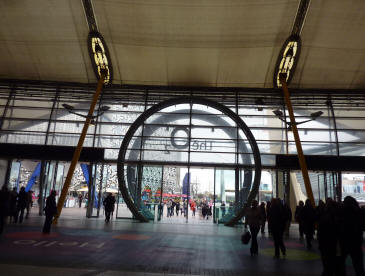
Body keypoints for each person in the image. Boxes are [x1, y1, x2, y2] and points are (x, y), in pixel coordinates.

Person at [341, 196, 365, 275]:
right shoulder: (359, 212)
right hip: (356, 241)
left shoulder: (342, 212)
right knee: (358, 264)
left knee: (340, 262)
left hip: (344, 241)